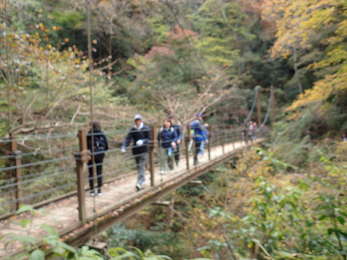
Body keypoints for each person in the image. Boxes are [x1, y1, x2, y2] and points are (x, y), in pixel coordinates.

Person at [121, 114, 151, 191]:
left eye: (139, 120)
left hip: (144, 150)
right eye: (136, 120)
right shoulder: (133, 129)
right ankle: (142, 178)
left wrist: (143, 141)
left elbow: (149, 139)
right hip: (135, 150)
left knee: (141, 165)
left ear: (141, 120)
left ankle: (139, 182)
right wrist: (124, 146)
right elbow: (128, 139)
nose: (137, 121)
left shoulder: (146, 128)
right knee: (138, 166)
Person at [87, 121, 109, 196]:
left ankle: (92, 190)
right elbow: (106, 146)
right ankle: (99, 190)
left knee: (91, 172)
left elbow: (85, 145)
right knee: (99, 171)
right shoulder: (102, 134)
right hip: (100, 154)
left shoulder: (88, 134)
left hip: (90, 154)